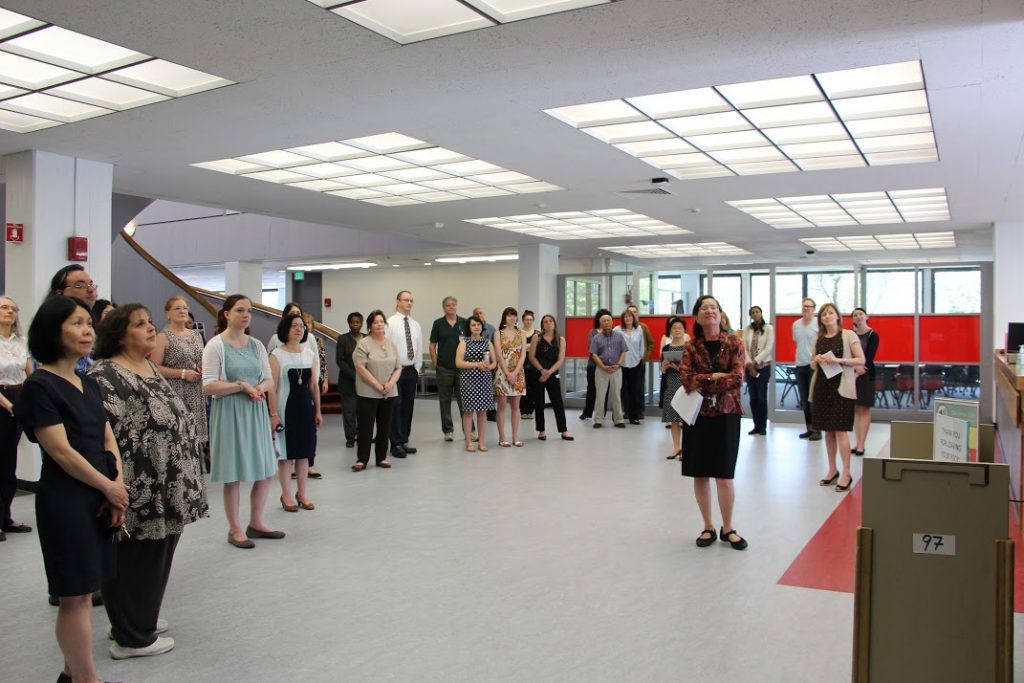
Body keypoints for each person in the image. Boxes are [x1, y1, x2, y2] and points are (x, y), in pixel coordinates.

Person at [15, 295, 128, 683]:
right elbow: (61, 452)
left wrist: (117, 486)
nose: (87, 331)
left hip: (100, 493)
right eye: (77, 324)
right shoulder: (40, 386)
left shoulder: (87, 382)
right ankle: (86, 678)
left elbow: (106, 435)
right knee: (75, 596)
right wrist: (107, 488)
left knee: (90, 589)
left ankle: (71, 672)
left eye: (88, 323)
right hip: (66, 499)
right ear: (53, 330)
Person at [89, 304, 208, 660]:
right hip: (140, 482)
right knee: (135, 556)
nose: (150, 328)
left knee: (159, 552)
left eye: (149, 322)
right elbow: (106, 432)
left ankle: (139, 618)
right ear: (120, 335)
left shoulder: (149, 365)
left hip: (168, 481)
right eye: (140, 324)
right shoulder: (105, 374)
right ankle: (131, 635)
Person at [202, 294, 283, 549]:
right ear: (226, 314)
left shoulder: (257, 345)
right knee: (233, 475)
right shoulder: (216, 345)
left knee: (266, 470)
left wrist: (259, 387)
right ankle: (235, 529)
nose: (245, 315)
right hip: (230, 412)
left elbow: (269, 379)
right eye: (239, 310)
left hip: (255, 410)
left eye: (248, 311)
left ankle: (256, 522)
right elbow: (208, 385)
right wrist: (240, 386)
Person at [679, 295, 748, 550]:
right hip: (698, 416)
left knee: (724, 476)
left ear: (721, 314)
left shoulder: (733, 342)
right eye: (704, 308)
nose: (709, 311)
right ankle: (708, 526)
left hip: (726, 414)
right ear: (697, 316)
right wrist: (717, 376)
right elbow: (687, 380)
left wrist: (704, 379)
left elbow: (737, 377)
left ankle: (727, 528)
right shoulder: (690, 346)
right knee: (700, 475)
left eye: (714, 307)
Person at [270, 313, 322, 511]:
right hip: (285, 409)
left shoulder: (309, 354)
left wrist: (318, 411)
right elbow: (272, 388)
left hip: (305, 409)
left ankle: (302, 493)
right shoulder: (276, 355)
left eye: (301, 326)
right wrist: (273, 414)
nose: (299, 329)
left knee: (304, 454)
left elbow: (314, 386)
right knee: (286, 455)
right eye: (294, 326)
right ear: (286, 329)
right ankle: (287, 495)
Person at [811, 304, 865, 492]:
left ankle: (846, 473)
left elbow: (861, 360)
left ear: (837, 316)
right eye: (824, 314)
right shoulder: (818, 338)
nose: (827, 316)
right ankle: (832, 470)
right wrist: (816, 360)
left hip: (841, 388)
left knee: (841, 431)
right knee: (828, 431)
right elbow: (812, 364)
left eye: (830, 313)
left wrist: (839, 361)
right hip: (822, 388)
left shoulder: (849, 335)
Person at [150, 296, 208, 469]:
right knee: (179, 439)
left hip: (196, 392)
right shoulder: (162, 337)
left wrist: (202, 369)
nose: (183, 311)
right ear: (168, 313)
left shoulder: (196, 335)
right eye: (177, 308)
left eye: (184, 308)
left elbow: (201, 358)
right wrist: (182, 373)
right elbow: (154, 368)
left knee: (195, 439)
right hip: (176, 392)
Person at [0, 295, 33, 540]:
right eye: (4, 307)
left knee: (9, 464)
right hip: (2, 401)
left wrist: (27, 403)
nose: (10, 311)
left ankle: (6, 517)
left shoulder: (22, 341)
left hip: (18, 399)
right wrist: (9, 406)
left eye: (13, 308)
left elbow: (29, 375)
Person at [352, 310, 400, 471]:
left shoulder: (391, 344)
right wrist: (379, 386)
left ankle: (381, 457)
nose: (379, 324)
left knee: (384, 426)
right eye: (375, 322)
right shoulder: (363, 343)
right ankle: (362, 459)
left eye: (381, 321)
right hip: (368, 392)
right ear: (370, 326)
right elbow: (361, 367)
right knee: (366, 427)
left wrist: (390, 384)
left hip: (389, 392)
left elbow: (398, 367)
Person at [386, 291, 421, 458]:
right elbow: (384, 347)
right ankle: (395, 443)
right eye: (406, 300)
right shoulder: (390, 323)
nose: (409, 303)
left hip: (410, 370)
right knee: (396, 406)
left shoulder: (415, 325)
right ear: (397, 301)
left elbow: (419, 347)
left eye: (411, 300)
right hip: (394, 371)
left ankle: (404, 439)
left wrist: (417, 368)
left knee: (408, 407)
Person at [527, 314, 573, 441]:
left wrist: (548, 372)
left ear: (554, 323)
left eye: (550, 321)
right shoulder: (537, 337)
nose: (548, 323)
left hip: (552, 374)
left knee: (557, 402)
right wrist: (542, 370)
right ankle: (541, 431)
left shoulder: (561, 339)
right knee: (539, 402)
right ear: (542, 324)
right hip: (537, 373)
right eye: (545, 321)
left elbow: (560, 359)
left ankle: (563, 430)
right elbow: (531, 357)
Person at [48, 265, 99, 377]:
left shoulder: (100, 325)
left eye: (91, 284)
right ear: (59, 293)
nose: (90, 290)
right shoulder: (49, 328)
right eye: (79, 285)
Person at [456, 315, 497, 452]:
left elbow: (494, 362)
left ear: (482, 326)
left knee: (482, 412)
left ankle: (482, 441)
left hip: (484, 380)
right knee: (468, 412)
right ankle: (469, 442)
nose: (476, 327)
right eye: (473, 325)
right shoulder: (464, 342)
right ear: (469, 327)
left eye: (478, 324)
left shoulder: (487, 342)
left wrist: (489, 367)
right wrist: (476, 364)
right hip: (468, 380)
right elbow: (459, 362)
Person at [429, 296, 467, 442]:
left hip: (462, 368)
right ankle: (448, 430)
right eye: (448, 306)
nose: (451, 307)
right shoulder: (438, 324)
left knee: (464, 400)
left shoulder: (464, 323)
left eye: (453, 305)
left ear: (457, 306)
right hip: (444, 368)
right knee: (444, 401)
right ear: (444, 308)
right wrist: (435, 362)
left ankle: (469, 429)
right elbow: (432, 345)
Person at [493, 307, 527, 447]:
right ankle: (502, 437)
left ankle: (515, 436)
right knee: (501, 405)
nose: (512, 318)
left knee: (515, 406)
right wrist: (507, 373)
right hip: (502, 372)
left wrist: (515, 372)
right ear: (504, 318)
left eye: (514, 316)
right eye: (509, 316)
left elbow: (523, 354)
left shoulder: (522, 333)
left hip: (518, 373)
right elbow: (499, 355)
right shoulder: (498, 333)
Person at [589, 311, 627, 428]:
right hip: (601, 370)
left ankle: (618, 419)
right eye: (604, 321)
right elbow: (593, 354)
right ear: (600, 323)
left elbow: (624, 351)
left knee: (616, 395)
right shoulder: (596, 338)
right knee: (600, 395)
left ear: (612, 322)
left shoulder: (619, 336)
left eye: (608, 320)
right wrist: (602, 366)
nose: (606, 323)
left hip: (616, 369)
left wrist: (619, 364)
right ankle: (598, 420)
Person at [302, 312, 328, 479]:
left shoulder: (316, 340)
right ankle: (293, 464)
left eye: (310, 323)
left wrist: (324, 379)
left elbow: (322, 361)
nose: (307, 326)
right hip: (296, 383)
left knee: (311, 427)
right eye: (305, 323)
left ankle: (309, 464)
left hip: (312, 381)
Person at [851, 307, 879, 457]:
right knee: (856, 409)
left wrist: (861, 367)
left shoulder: (873, 334)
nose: (858, 317)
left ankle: (862, 444)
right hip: (853, 373)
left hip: (867, 373)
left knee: (864, 409)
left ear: (866, 317)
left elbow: (869, 356)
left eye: (860, 314)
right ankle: (857, 441)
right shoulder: (851, 335)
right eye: (855, 315)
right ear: (853, 319)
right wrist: (855, 368)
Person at [742, 306, 774, 436]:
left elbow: (768, 347)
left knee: (761, 397)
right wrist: (749, 364)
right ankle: (756, 425)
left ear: (761, 313)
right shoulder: (748, 329)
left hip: (763, 366)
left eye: (757, 312)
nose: (755, 314)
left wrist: (756, 362)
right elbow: (744, 348)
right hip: (750, 367)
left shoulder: (768, 328)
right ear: (750, 315)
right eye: (753, 313)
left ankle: (763, 426)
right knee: (753, 398)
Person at [793, 297, 820, 441]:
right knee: (804, 399)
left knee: (813, 399)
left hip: (813, 365)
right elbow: (797, 342)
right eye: (804, 306)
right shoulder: (796, 324)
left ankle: (817, 430)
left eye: (808, 307)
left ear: (814, 309)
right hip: (800, 364)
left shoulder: (818, 324)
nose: (805, 309)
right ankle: (809, 429)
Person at [661, 316, 688, 460]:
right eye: (674, 327)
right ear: (670, 331)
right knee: (673, 418)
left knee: (686, 418)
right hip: (670, 383)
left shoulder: (690, 347)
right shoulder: (666, 348)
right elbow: (663, 370)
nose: (677, 330)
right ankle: (676, 447)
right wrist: (665, 367)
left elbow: (692, 369)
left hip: (685, 384)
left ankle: (687, 449)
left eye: (680, 327)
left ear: (684, 330)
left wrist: (678, 368)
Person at [335, 311, 363, 449]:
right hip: (348, 382)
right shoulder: (343, 339)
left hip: (365, 382)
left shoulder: (366, 339)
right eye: (353, 322)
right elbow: (340, 361)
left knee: (363, 411)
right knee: (349, 411)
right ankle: (350, 437)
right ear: (349, 324)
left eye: (358, 322)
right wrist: (355, 375)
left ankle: (362, 435)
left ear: (361, 324)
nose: (355, 324)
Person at [579, 309, 609, 421]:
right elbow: (592, 349)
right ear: (598, 320)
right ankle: (587, 412)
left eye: (607, 319)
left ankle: (602, 413)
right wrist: (602, 355)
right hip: (593, 365)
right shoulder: (592, 332)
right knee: (591, 389)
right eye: (602, 319)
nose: (605, 321)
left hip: (607, 367)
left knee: (604, 390)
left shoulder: (612, 333)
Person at [617, 308, 645, 424]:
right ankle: (624, 413)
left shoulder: (639, 329)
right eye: (626, 317)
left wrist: (640, 356)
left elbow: (642, 344)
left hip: (636, 363)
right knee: (624, 390)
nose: (628, 318)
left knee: (635, 390)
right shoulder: (618, 330)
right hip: (622, 363)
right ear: (623, 319)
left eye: (630, 316)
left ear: (633, 318)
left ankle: (634, 415)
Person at [473, 307, 497, 423]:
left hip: (489, 364)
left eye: (480, 313)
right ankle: (476, 410)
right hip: (474, 364)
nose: (478, 315)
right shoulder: (470, 329)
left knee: (489, 389)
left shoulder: (492, 329)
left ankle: (491, 412)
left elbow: (496, 346)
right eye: (476, 313)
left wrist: (495, 363)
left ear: (484, 314)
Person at [520, 310, 537, 420]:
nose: (529, 321)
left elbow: (536, 348)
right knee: (522, 387)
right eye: (527, 319)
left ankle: (530, 410)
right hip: (521, 363)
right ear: (523, 320)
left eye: (530, 319)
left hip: (533, 363)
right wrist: (528, 346)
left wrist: (527, 346)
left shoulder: (537, 333)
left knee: (532, 387)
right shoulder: (519, 332)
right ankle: (523, 411)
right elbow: (518, 347)